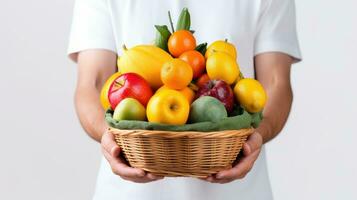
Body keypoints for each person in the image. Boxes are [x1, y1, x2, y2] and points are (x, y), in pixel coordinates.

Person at [68, 0, 301, 199]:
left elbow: (276, 84)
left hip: (240, 192)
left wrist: (256, 136)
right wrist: (109, 138)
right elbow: (92, 84)